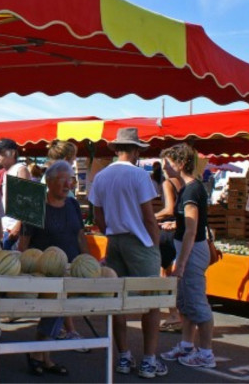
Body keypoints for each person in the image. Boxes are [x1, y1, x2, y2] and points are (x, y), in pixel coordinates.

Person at [89, 127, 165, 379]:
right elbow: (149, 217)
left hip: (114, 240)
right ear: (134, 150)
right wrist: (153, 245)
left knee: (117, 300)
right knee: (152, 302)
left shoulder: (101, 176)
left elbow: (97, 213)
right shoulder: (139, 176)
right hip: (138, 241)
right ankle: (148, 361)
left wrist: (109, 231)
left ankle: (123, 356)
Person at [20, 160, 91, 376]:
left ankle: (43, 357)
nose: (69, 184)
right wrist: (25, 268)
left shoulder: (73, 205)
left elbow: (80, 234)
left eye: (71, 180)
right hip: (45, 269)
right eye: (64, 180)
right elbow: (24, 241)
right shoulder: (36, 206)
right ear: (49, 182)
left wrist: (87, 258)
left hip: (71, 268)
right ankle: (39, 356)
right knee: (51, 313)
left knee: (57, 314)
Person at [160, 143, 216, 369]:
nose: (164, 167)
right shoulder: (187, 187)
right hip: (186, 249)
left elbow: (193, 230)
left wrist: (181, 263)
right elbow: (189, 224)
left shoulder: (192, 189)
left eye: (168, 163)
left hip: (191, 252)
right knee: (186, 304)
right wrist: (177, 224)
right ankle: (186, 345)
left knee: (198, 305)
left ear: (181, 164)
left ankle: (206, 354)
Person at [154, 146, 184, 333]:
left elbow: (169, 210)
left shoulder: (168, 183)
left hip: (168, 232)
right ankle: (179, 313)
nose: (164, 166)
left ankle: (173, 314)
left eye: (167, 163)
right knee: (175, 275)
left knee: (164, 275)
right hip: (181, 232)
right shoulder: (186, 182)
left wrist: (150, 216)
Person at [0, 138, 31, 250]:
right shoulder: (8, 172)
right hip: (6, 229)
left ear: (13, 153)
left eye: (1, 152)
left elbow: (27, 200)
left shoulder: (20, 169)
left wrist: (18, 226)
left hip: (13, 231)